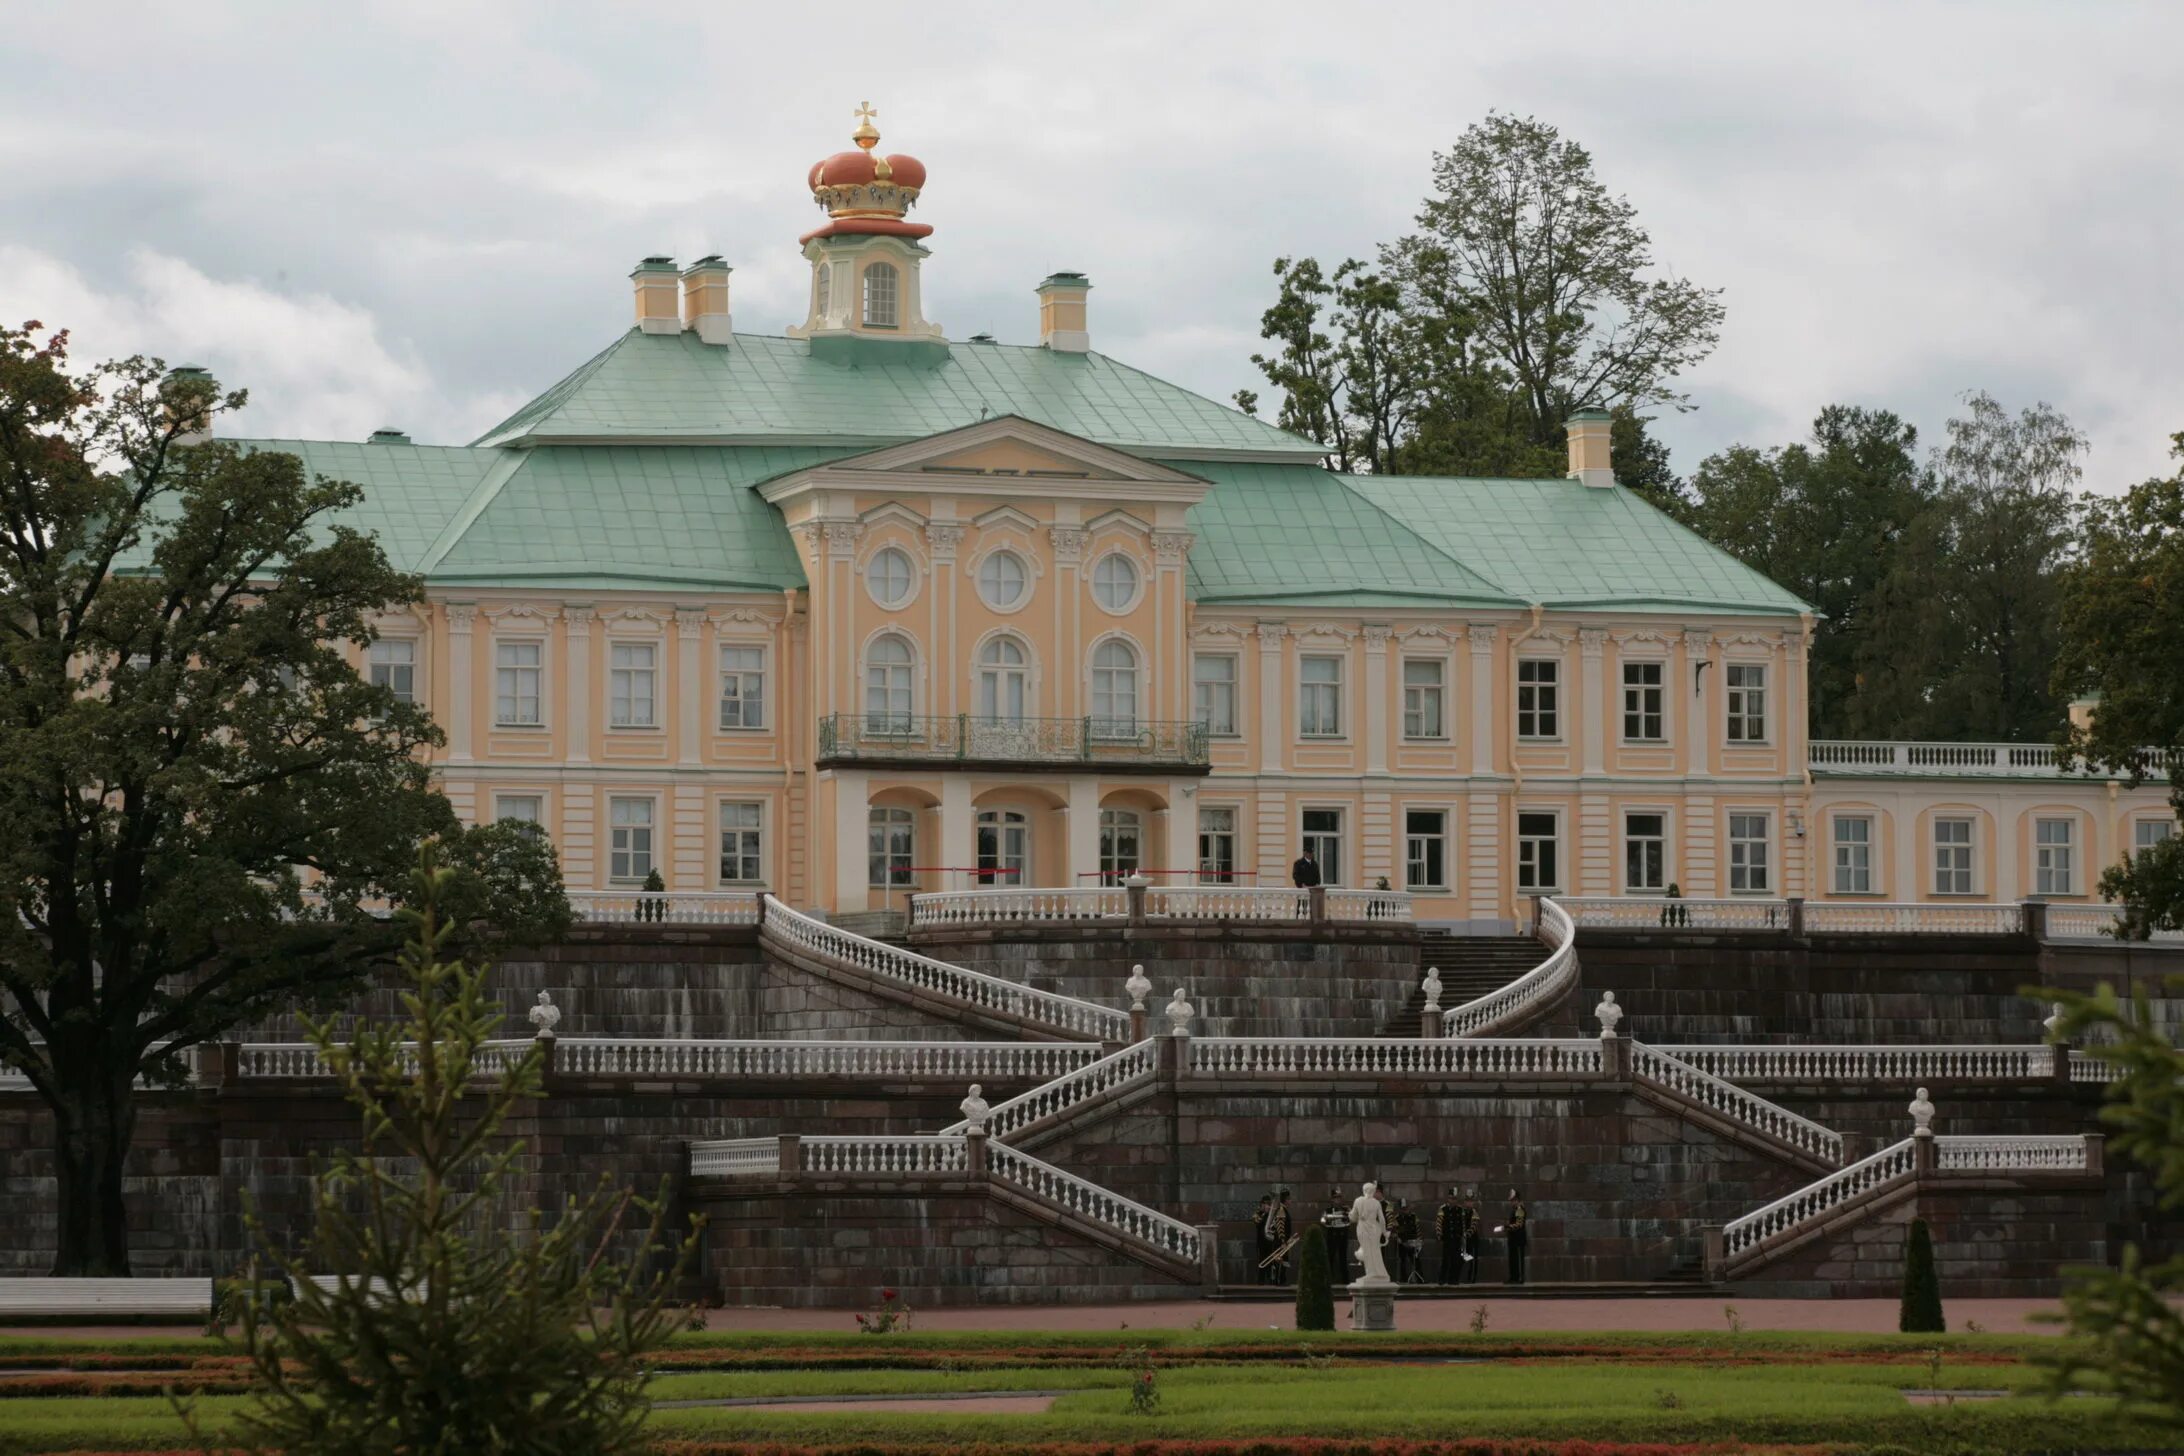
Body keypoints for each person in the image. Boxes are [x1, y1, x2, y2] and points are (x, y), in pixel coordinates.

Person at [1348, 1182, 1391, 1283]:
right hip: (1375, 1229)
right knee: (1375, 1251)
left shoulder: (1358, 1201)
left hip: (1363, 1228)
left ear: (1364, 1190)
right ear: (1372, 1191)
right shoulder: (1376, 1203)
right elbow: (1382, 1220)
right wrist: (1384, 1232)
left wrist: (1350, 1214)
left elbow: (1353, 1218)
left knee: (1367, 1251)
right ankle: (1379, 1273)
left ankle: (1371, 1273)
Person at [1435, 1186, 1465, 1284]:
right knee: (1446, 1260)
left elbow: (1463, 1223)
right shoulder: (1443, 1209)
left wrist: (1463, 1235)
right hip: (1447, 1237)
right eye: (1452, 1198)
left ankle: (1454, 1280)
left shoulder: (1460, 1210)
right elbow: (1439, 1222)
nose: (1453, 1201)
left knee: (1456, 1260)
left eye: (1455, 1199)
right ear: (1448, 1198)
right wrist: (1439, 1233)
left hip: (1457, 1238)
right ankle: (1442, 1279)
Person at [1320, 1185, 1353, 1274]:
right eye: (1335, 1198)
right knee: (1330, 1257)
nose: (1337, 1200)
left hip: (1343, 1234)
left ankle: (1345, 1279)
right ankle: (1329, 1278)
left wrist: (1348, 1214)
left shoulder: (1346, 1209)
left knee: (1343, 1258)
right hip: (1332, 1234)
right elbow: (1322, 1220)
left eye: (1339, 1198)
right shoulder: (1328, 1210)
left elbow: (1352, 1219)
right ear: (1332, 1199)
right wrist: (1328, 1222)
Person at [1267, 1187, 1294, 1284]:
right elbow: (1280, 1227)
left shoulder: (1283, 1209)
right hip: (1280, 1241)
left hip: (1281, 1241)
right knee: (1280, 1261)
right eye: (1289, 1199)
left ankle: (1282, 1280)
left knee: (1283, 1261)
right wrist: (1283, 1241)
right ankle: (1279, 1281)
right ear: (1286, 1200)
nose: (1291, 1201)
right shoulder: (1281, 1210)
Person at [1393, 1196, 1422, 1284]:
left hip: (1413, 1242)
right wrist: (1397, 1238)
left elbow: (1418, 1228)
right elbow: (1394, 1231)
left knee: (1416, 1260)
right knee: (1403, 1261)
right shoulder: (1396, 1218)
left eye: (1406, 1208)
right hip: (1402, 1242)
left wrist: (1419, 1240)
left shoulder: (1414, 1216)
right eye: (1403, 1209)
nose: (1405, 1210)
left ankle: (1419, 1278)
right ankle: (1403, 1278)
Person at [1504, 1188, 1529, 1285]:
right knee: (1513, 1259)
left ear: (1517, 1200)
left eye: (1513, 1200)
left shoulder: (1519, 1209)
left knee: (1518, 1259)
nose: (1511, 1203)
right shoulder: (1515, 1210)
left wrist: (1508, 1226)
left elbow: (1519, 1224)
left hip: (1518, 1238)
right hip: (1513, 1238)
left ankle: (1519, 1278)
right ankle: (1513, 1277)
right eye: (1511, 1201)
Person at [1460, 1189, 1482, 1285]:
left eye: (1471, 1201)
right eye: (1467, 1201)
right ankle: (1462, 1276)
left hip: (1472, 1239)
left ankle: (1472, 1278)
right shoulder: (1462, 1212)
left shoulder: (1474, 1213)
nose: (1469, 1203)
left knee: (1472, 1259)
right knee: (1464, 1257)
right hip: (1463, 1240)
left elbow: (1473, 1226)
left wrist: (1466, 1234)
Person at [1252, 1194, 1274, 1283]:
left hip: (1271, 1242)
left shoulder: (1272, 1214)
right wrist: (1265, 1214)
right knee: (1261, 1262)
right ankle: (1260, 1282)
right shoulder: (1257, 1214)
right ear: (1261, 1205)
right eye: (1265, 1204)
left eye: (1269, 1204)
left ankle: (1271, 1282)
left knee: (1271, 1263)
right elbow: (1257, 1223)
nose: (1267, 1206)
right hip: (1261, 1243)